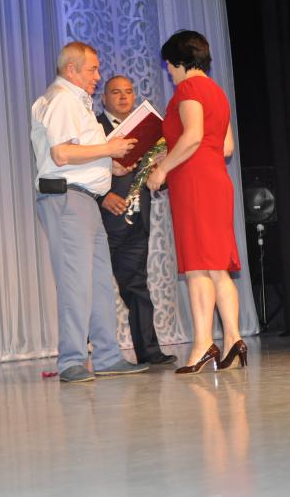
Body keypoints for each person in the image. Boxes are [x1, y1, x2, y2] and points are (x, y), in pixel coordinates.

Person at [30, 41, 149, 382]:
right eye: (92, 69)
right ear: (72, 70)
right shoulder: (62, 99)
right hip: (68, 199)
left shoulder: (76, 101)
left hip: (85, 200)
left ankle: (108, 356)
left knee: (98, 283)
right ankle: (71, 360)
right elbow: (61, 154)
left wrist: (111, 164)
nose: (98, 76)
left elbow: (79, 153)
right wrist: (109, 149)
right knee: (75, 283)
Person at [146, 30, 246, 373]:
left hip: (194, 182)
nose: (169, 73)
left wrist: (162, 169)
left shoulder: (189, 89)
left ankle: (203, 343)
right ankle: (234, 340)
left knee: (197, 266)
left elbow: (192, 136)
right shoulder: (217, 91)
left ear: (179, 61)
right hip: (216, 179)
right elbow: (226, 147)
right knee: (217, 266)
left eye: (169, 66)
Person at [96, 75, 177, 365]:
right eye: (115, 92)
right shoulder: (93, 129)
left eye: (128, 92)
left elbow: (157, 181)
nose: (123, 97)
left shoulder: (148, 132)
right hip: (99, 224)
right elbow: (80, 175)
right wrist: (102, 196)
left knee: (138, 288)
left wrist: (161, 170)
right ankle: (85, 356)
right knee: (91, 290)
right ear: (103, 98)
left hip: (136, 224)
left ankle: (149, 352)